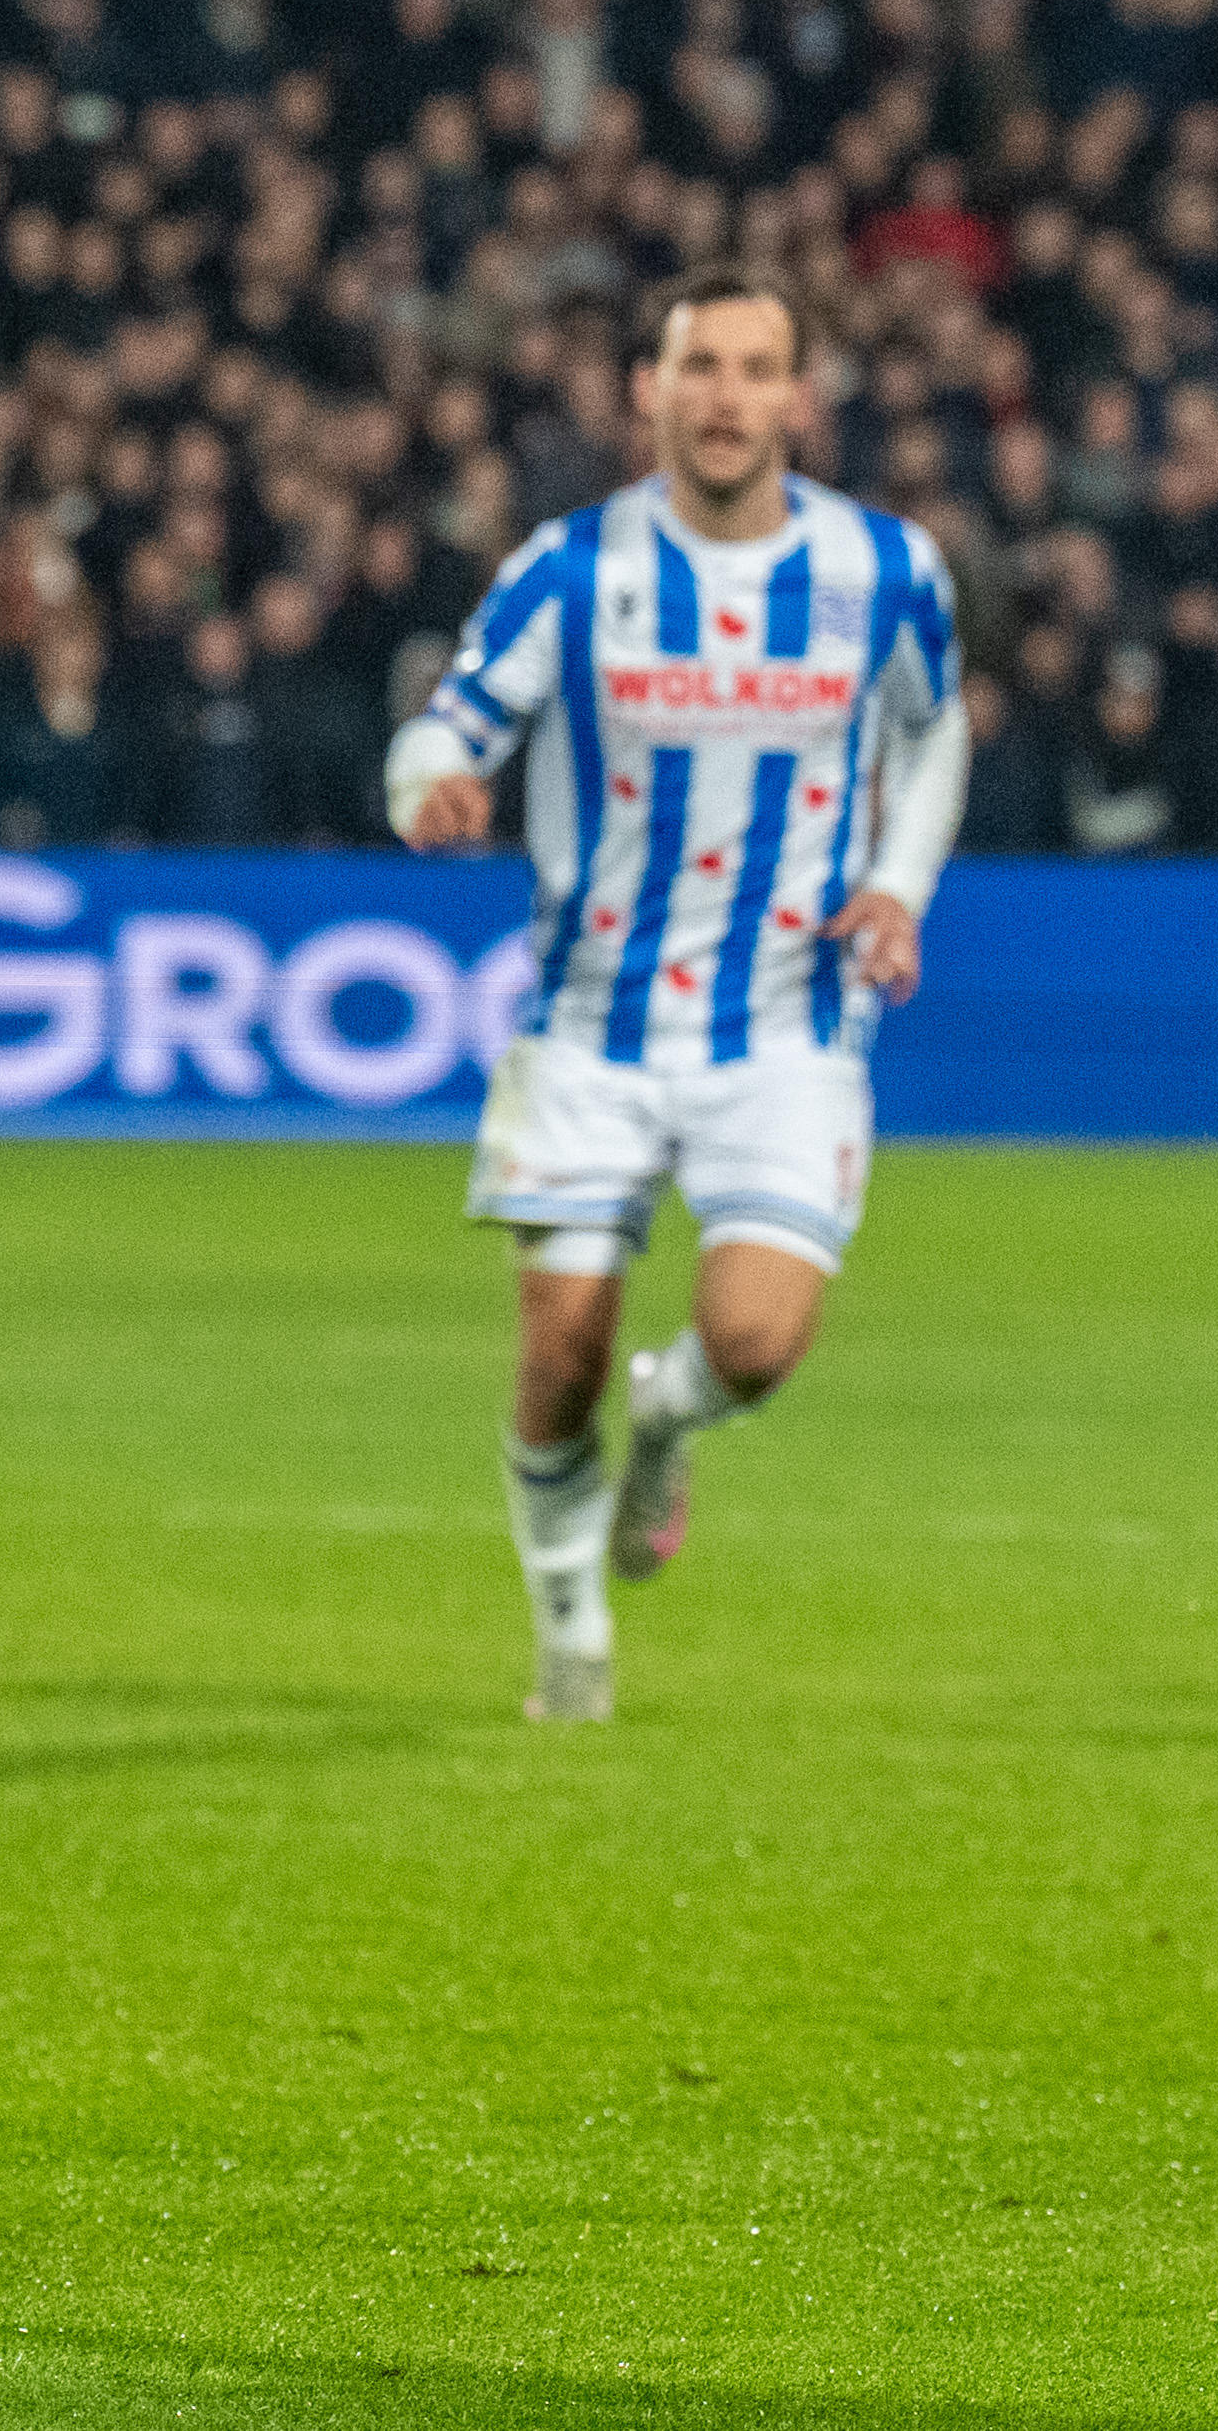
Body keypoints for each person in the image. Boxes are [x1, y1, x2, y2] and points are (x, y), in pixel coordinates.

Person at [391, 265, 967, 1725]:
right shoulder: (569, 567)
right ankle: (570, 1631)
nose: (723, 396)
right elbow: (444, 723)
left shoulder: (882, 569)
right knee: (556, 1345)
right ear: (646, 390)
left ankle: (671, 1412)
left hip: (787, 1020)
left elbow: (935, 725)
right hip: (589, 1019)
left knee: (757, 1340)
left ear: (795, 394)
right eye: (696, 365)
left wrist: (897, 879)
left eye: (753, 366)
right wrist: (431, 785)